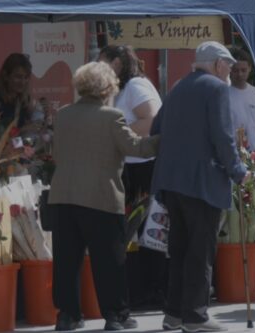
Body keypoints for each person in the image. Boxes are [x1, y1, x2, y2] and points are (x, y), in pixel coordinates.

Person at [49, 62, 158, 331]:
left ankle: (67, 315)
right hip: (100, 197)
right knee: (109, 261)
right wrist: (163, 137)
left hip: (63, 196)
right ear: (108, 87)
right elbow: (137, 148)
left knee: (66, 261)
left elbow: (56, 154)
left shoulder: (62, 115)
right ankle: (115, 315)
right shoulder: (111, 117)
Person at [150, 41, 249, 333]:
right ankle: (195, 316)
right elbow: (223, 136)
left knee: (179, 249)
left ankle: (175, 314)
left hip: (172, 181)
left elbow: (157, 129)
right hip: (203, 182)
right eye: (228, 65)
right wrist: (237, 170)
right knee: (200, 251)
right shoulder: (217, 89)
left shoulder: (178, 87)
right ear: (218, 63)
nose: (230, 70)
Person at [98, 45, 165, 308]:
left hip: (144, 167)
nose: (98, 66)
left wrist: (116, 137)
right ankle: (137, 289)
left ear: (116, 63)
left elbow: (151, 119)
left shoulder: (137, 85)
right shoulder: (121, 89)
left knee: (147, 230)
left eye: (102, 61)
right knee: (131, 233)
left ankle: (153, 289)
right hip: (129, 166)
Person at [228, 48, 255, 162]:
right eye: (236, 70)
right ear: (230, 70)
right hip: (234, 157)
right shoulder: (223, 94)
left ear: (250, 68)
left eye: (243, 70)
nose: (240, 74)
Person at [0, 53, 33, 130]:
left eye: (26, 77)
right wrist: (22, 130)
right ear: (5, 76)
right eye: (18, 77)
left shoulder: (25, 100)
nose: (23, 82)